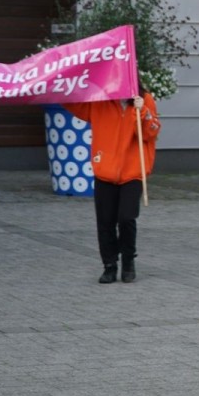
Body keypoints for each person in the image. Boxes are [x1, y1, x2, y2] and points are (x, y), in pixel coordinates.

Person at [64, 91, 160, 284]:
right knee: (105, 221)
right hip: (105, 171)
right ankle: (109, 265)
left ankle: (128, 261)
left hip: (132, 172)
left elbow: (152, 132)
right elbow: (74, 104)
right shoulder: (100, 99)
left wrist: (143, 111)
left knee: (126, 217)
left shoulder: (145, 99)